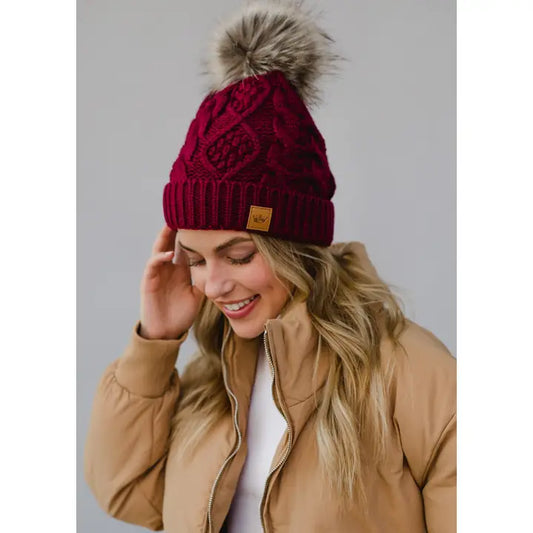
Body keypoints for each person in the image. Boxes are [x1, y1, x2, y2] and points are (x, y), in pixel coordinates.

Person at [84, 2, 456, 532]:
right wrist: (154, 343)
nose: (213, 285)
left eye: (238, 256)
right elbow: (126, 494)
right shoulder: (214, 376)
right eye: (196, 259)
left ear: (295, 247)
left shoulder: (410, 373)